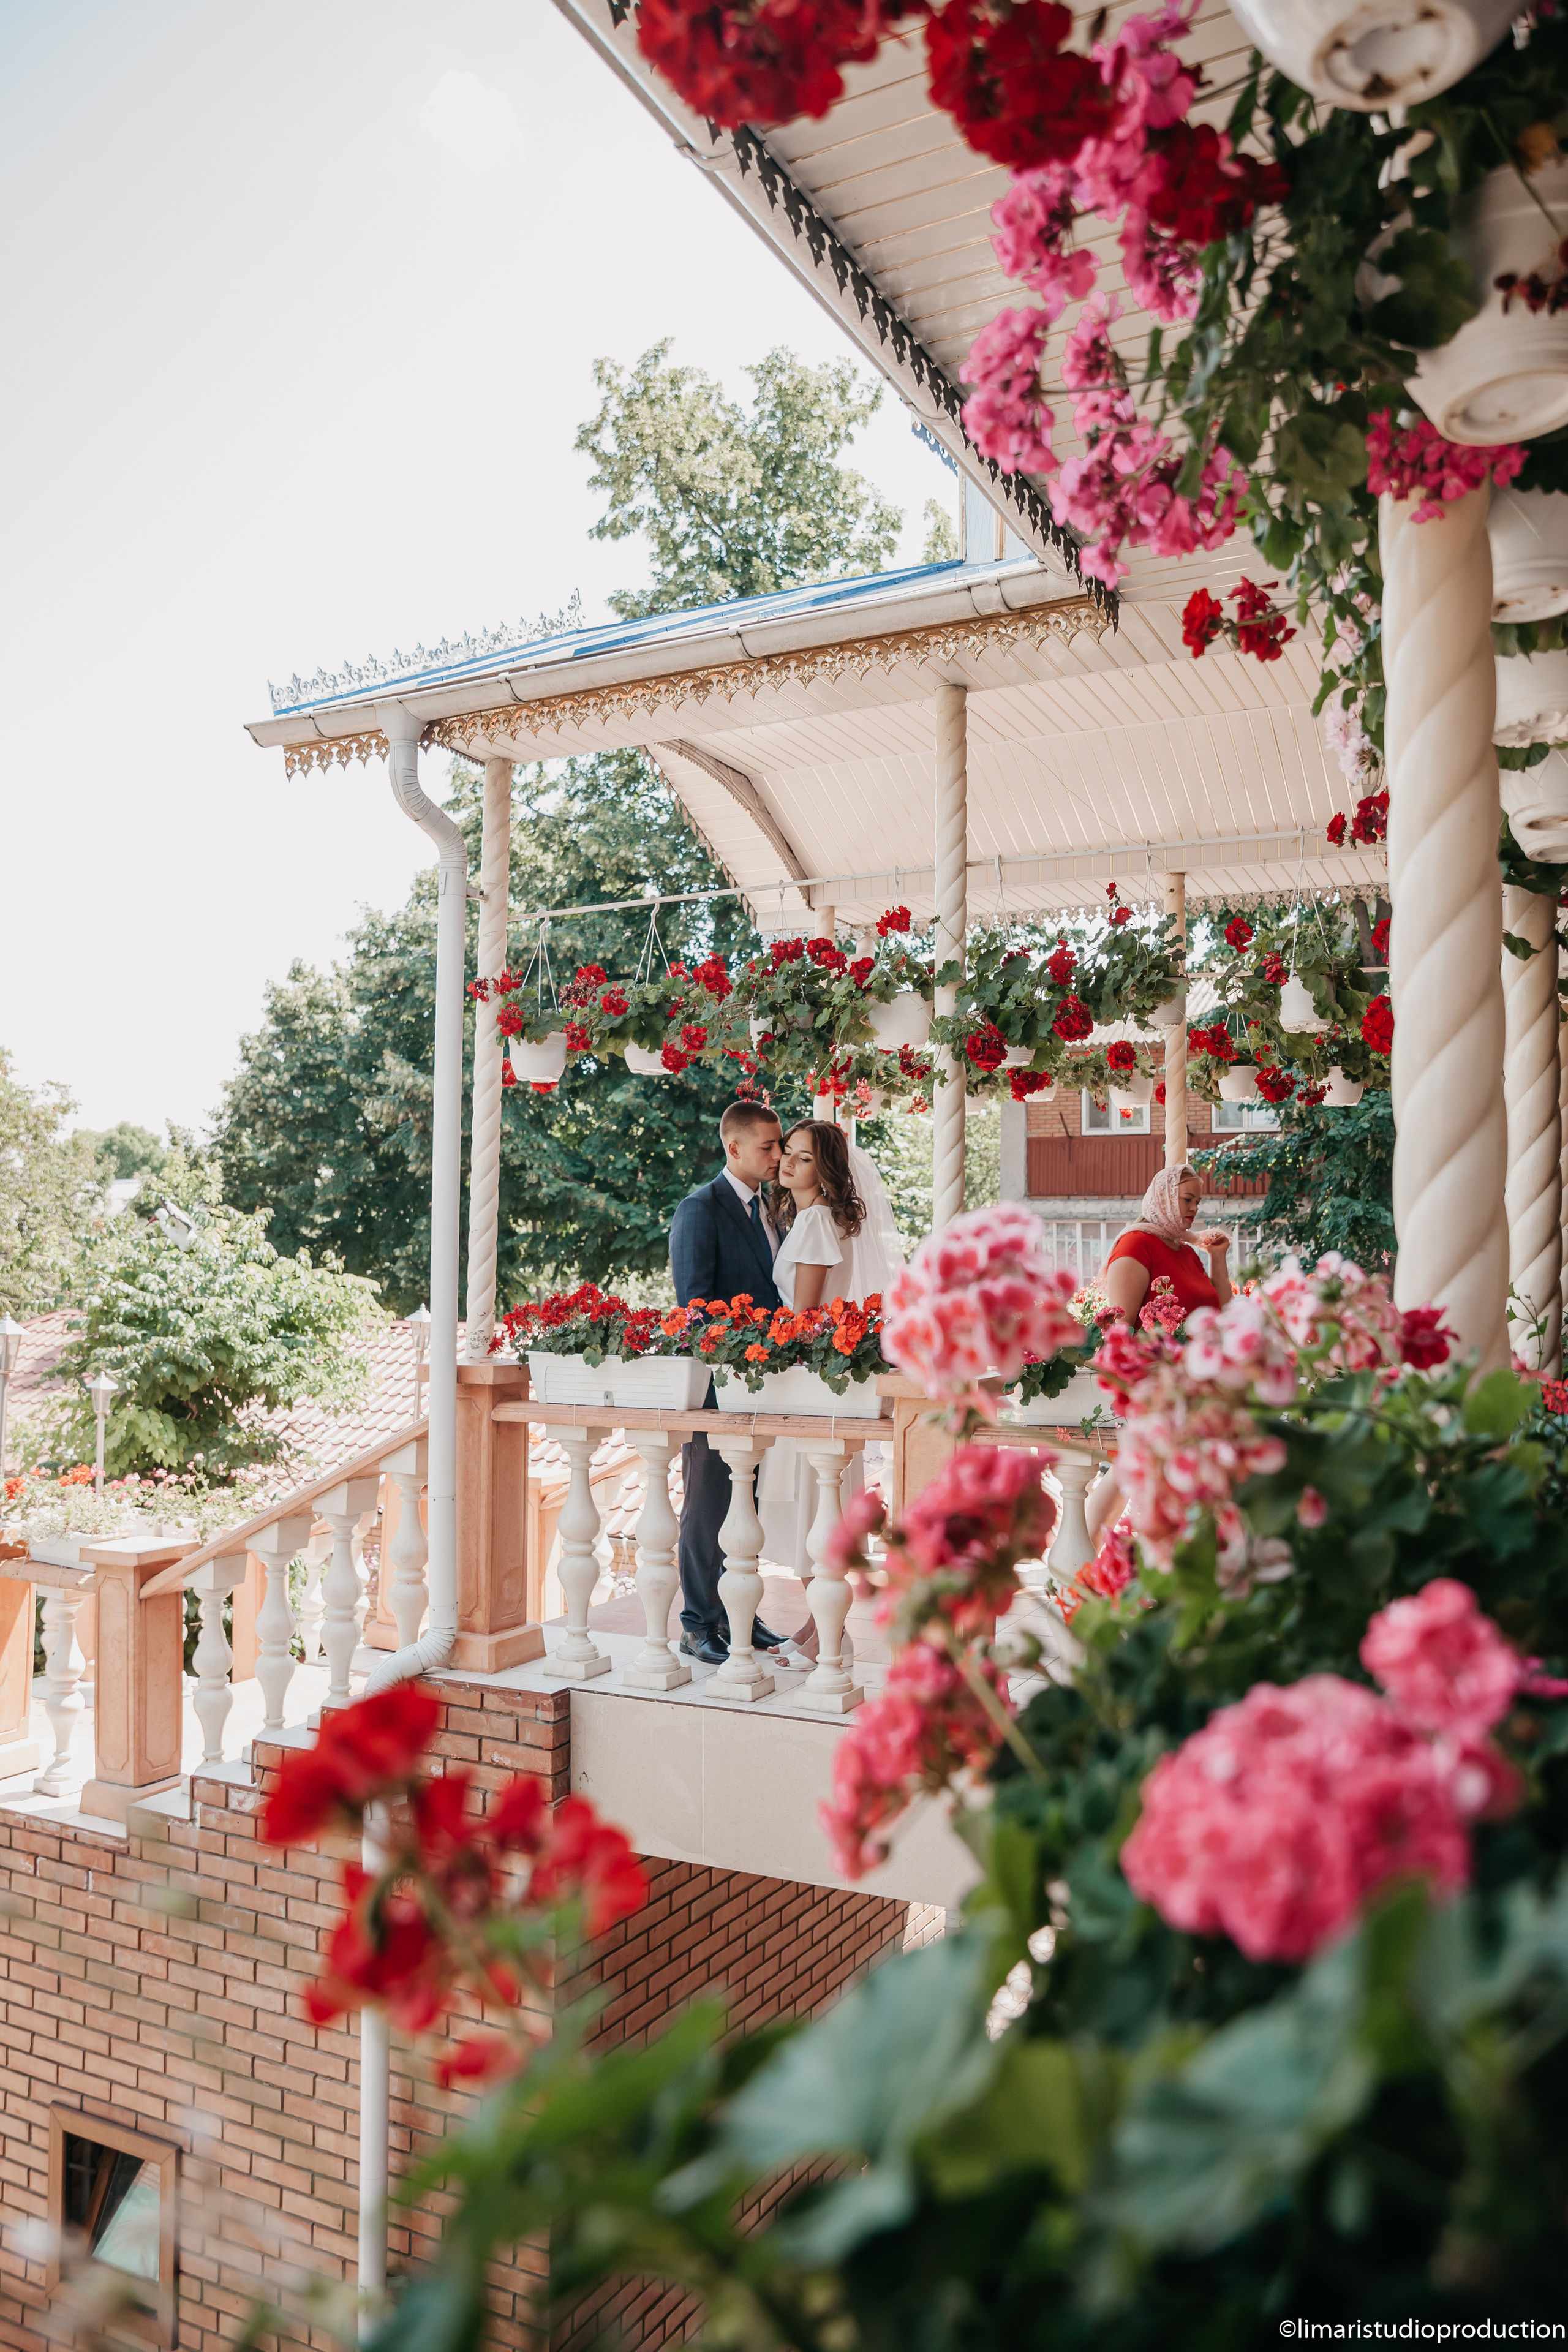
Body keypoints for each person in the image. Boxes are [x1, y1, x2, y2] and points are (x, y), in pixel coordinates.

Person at [759, 1119, 904, 1667]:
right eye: (787, 1153)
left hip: (813, 1385)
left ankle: (830, 1638)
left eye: (802, 1157)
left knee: (811, 1515)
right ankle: (817, 1632)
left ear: (827, 1171)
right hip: (822, 1384)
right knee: (818, 1511)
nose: (788, 1164)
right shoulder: (817, 1220)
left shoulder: (817, 1222)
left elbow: (804, 1317)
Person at [668, 1099, 788, 1664]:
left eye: (779, 1144)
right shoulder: (700, 1209)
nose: (778, 1155)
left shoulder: (768, 1209)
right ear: (733, 1147)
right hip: (718, 1389)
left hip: (762, 1387)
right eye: (768, 1146)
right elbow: (694, 1309)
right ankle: (697, 1624)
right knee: (707, 1506)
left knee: (746, 1507)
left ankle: (738, 1612)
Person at [1085, 1163, 1232, 1551]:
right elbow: (1116, 1330)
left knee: (1164, 1481)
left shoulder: (1187, 1250)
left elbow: (1223, 1309)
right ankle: (1080, 1564)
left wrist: (1217, 1257)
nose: (1194, 1209)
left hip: (1195, 1387)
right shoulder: (1136, 1245)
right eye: (1187, 1199)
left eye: (1198, 1201)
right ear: (1165, 1197)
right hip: (1155, 1389)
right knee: (1133, 1473)